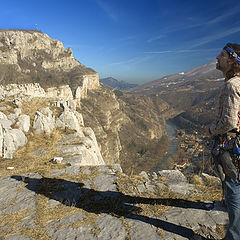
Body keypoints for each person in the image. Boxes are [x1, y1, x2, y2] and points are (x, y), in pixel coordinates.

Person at [206, 43, 240, 240]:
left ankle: (234, 236)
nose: (217, 58)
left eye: (221, 55)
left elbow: (228, 122)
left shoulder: (231, 85)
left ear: (232, 60)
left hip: (231, 146)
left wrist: (211, 129)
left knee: (233, 187)